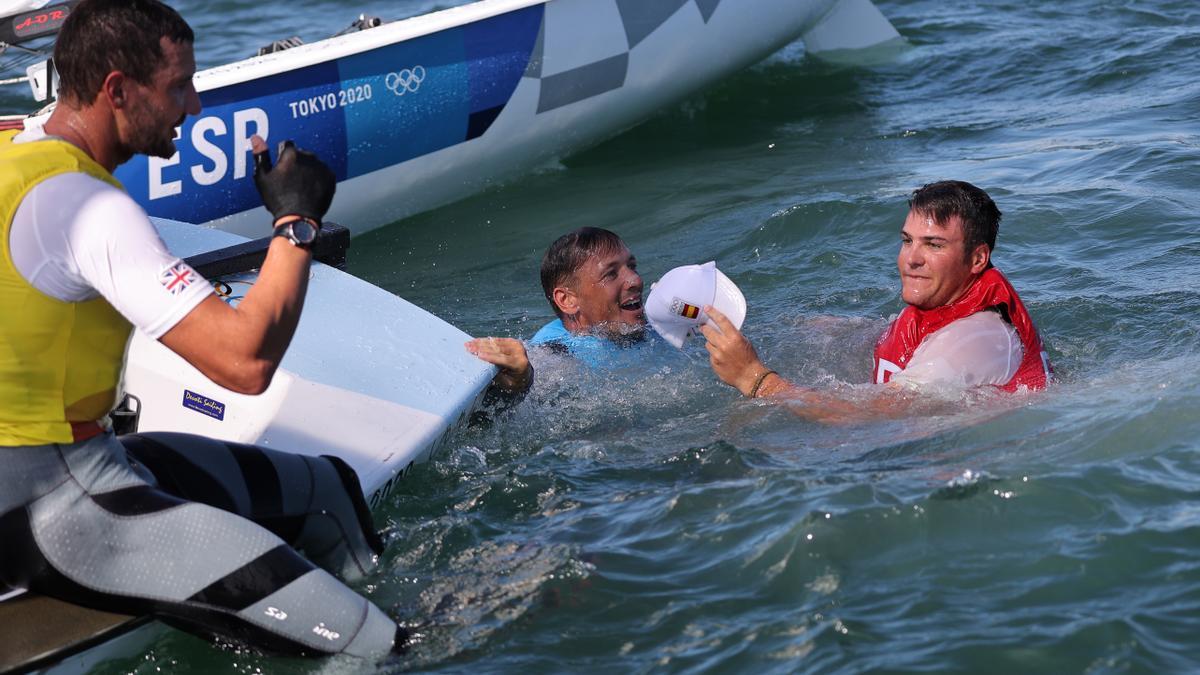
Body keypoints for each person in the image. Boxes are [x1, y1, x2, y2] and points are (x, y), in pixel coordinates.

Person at [0, 0, 401, 659]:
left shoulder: (12, 152)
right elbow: (244, 363)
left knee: (328, 487)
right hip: (51, 510)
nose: (194, 108)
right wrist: (295, 221)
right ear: (117, 90)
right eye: (178, 86)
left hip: (82, 462)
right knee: (375, 645)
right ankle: (372, 637)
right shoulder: (88, 207)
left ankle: (351, 600)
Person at [702, 180, 1051, 422]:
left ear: (977, 259)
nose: (910, 259)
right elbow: (914, 342)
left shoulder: (976, 339)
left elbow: (867, 415)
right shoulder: (944, 302)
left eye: (934, 245)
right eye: (907, 240)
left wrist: (754, 378)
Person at [467, 226, 648, 376]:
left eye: (631, 266)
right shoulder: (558, 352)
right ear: (567, 300)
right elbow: (533, 385)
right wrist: (521, 380)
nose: (636, 280)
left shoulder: (651, 320)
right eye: (610, 274)